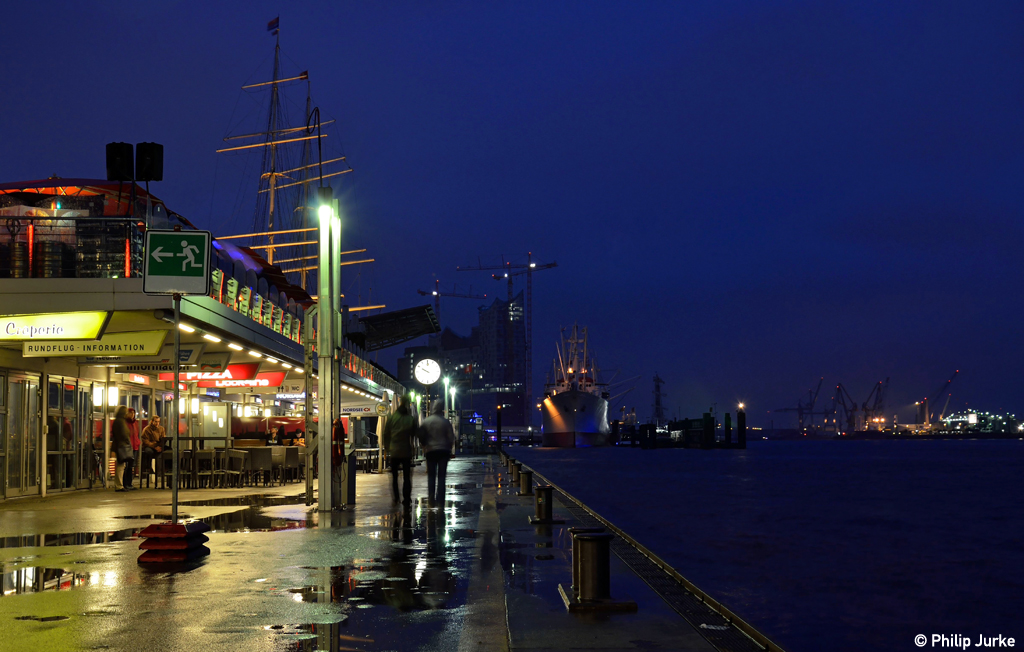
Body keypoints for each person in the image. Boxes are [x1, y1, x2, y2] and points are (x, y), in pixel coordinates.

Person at [417, 399, 455, 507]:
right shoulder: (445, 422)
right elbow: (451, 437)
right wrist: (449, 448)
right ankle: (440, 499)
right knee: (442, 476)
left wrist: (424, 446)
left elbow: (421, 435)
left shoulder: (426, 421)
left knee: (431, 475)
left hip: (430, 451)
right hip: (443, 451)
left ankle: (431, 497)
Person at [382, 395, 417, 507]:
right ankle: (406, 498)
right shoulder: (410, 419)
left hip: (394, 451)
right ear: (407, 404)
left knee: (394, 477)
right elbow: (414, 433)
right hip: (406, 451)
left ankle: (396, 497)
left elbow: (386, 434)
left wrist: (387, 448)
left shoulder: (392, 418)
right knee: (407, 477)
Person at [111, 406, 135, 491]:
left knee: (121, 465)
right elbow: (123, 434)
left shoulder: (118, 421)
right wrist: (127, 441)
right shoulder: (120, 422)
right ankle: (119, 485)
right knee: (120, 466)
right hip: (121, 446)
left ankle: (120, 484)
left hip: (120, 445)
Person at [126, 408, 141, 481]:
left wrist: (138, 442)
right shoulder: (125, 423)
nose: (132, 414)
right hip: (128, 446)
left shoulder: (135, 423)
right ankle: (127, 482)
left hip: (135, 446)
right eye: (131, 413)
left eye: (133, 413)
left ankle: (130, 482)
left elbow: (136, 433)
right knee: (128, 465)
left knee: (132, 465)